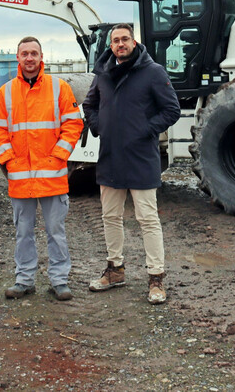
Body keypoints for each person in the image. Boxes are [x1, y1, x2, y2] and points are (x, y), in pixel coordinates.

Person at [82, 23, 180, 304]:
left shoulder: (153, 72)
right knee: (110, 217)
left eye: (125, 39)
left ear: (134, 42)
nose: (120, 44)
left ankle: (156, 278)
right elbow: (90, 105)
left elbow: (171, 109)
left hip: (141, 157)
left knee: (147, 219)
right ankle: (115, 270)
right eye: (115, 40)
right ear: (110, 45)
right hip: (111, 156)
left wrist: (146, 130)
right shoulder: (102, 73)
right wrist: (101, 127)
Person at [0, 37, 83, 301]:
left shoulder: (60, 88)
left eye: (34, 53)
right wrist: (9, 160)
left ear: (41, 56)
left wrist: (58, 156)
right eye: (25, 54)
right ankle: (24, 280)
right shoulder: (5, 92)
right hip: (20, 177)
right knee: (23, 233)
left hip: (52, 175)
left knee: (56, 231)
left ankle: (59, 280)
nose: (29, 58)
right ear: (17, 58)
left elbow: (73, 125)